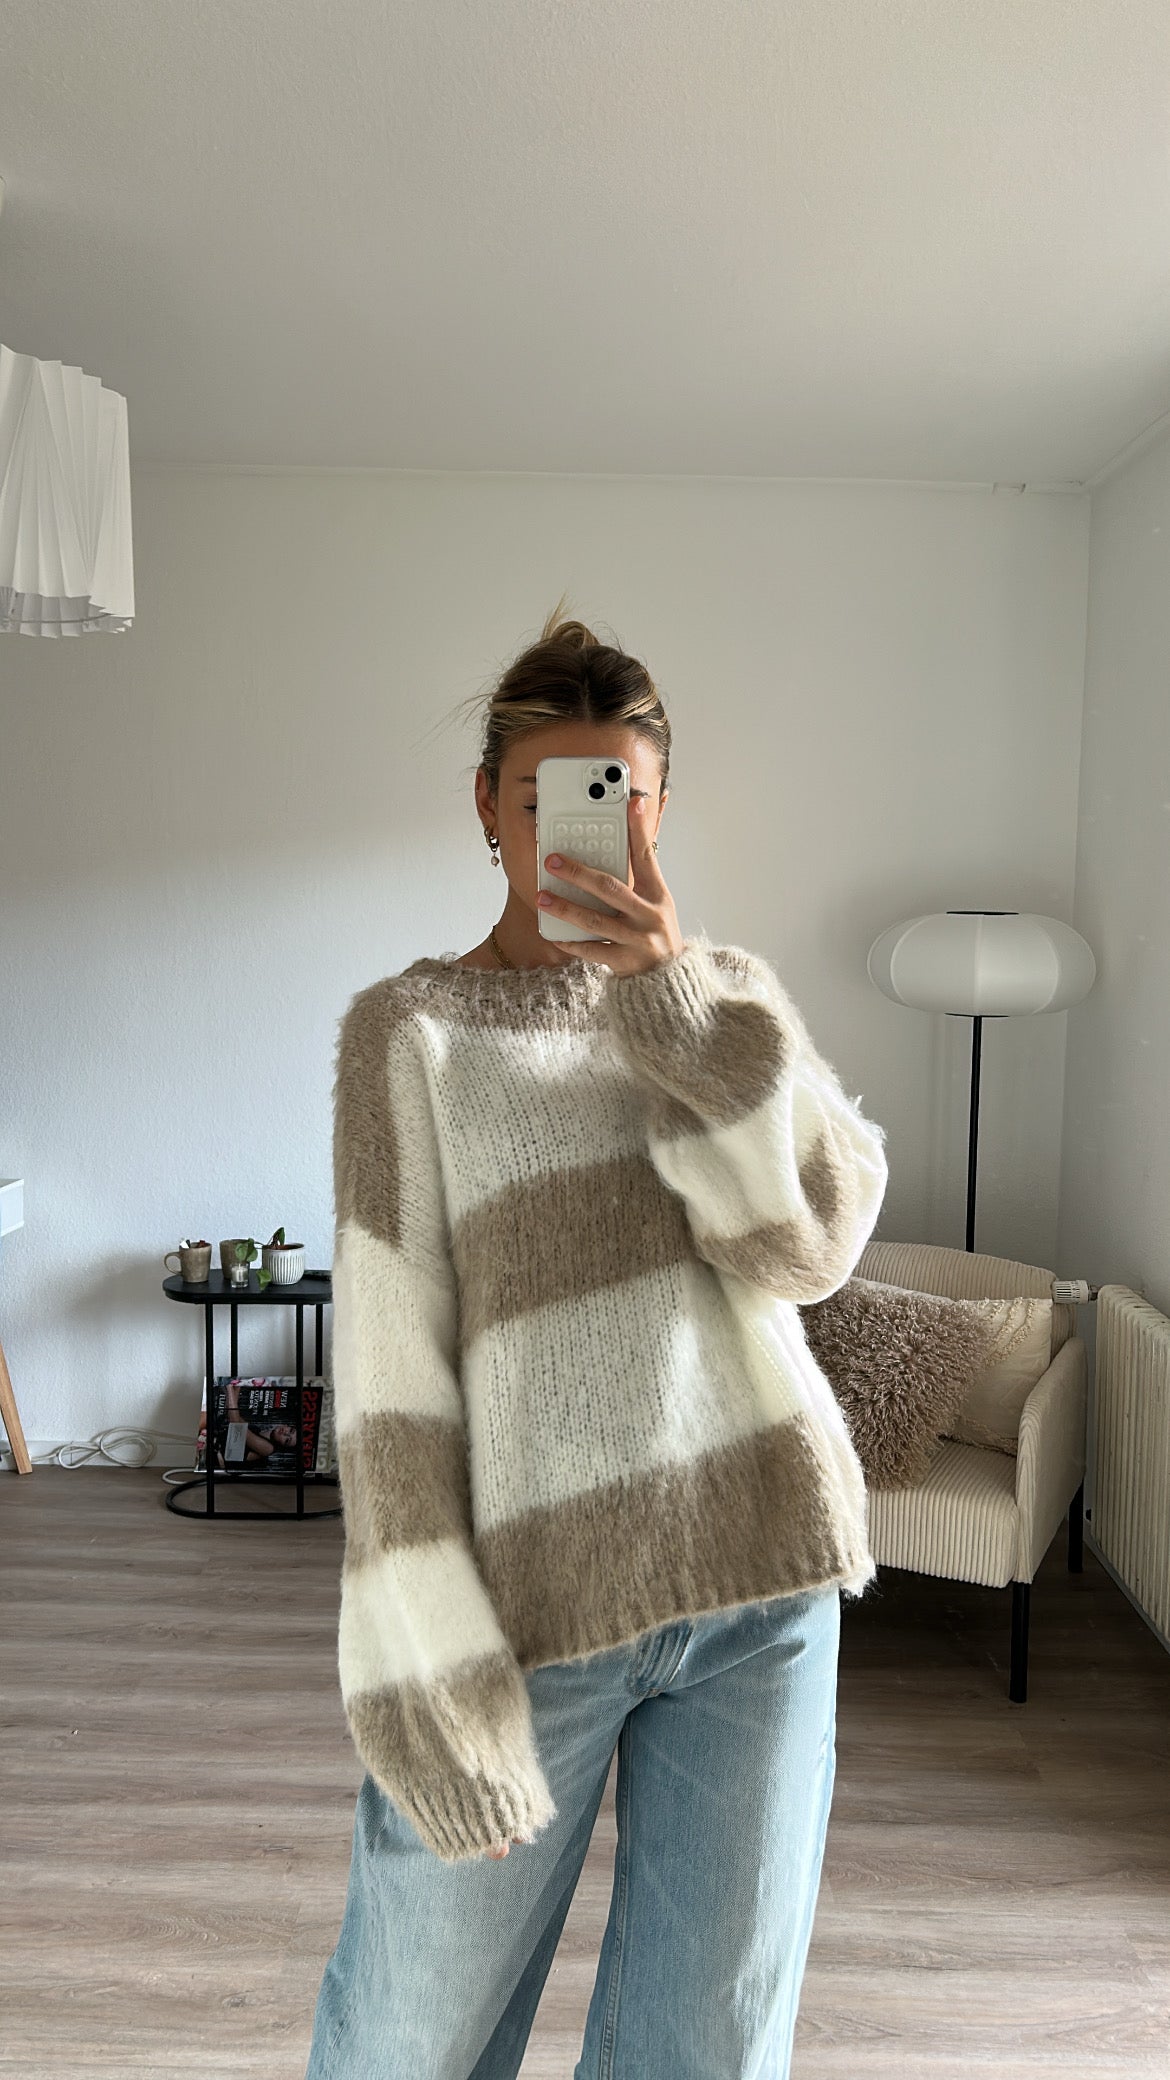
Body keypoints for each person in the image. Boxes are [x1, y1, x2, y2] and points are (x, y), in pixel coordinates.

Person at [304, 602, 889, 2079]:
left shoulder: (723, 1000)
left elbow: (813, 1250)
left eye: (613, 795)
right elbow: (388, 1386)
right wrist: (430, 1678)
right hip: (532, 1616)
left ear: (656, 810)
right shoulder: (409, 1036)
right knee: (409, 2036)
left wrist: (679, 1017)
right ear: (486, 808)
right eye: (538, 797)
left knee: (708, 2049)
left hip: (759, 1579)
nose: (570, 832)